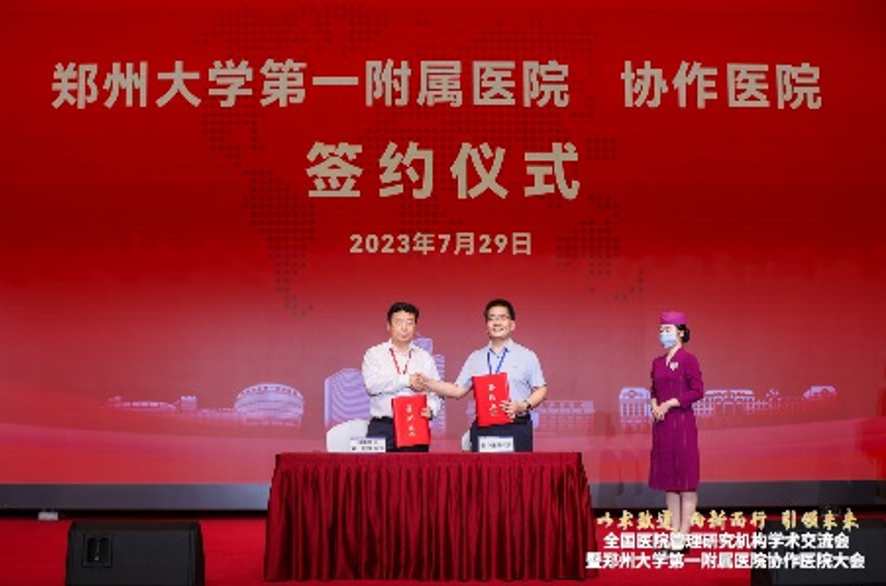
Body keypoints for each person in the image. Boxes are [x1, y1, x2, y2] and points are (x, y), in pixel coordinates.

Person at [422, 298, 547, 452]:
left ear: (512, 325)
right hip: (484, 428)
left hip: (516, 426)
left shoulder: (527, 356)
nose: (497, 323)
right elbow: (457, 390)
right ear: (486, 326)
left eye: (502, 318)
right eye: (492, 318)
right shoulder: (476, 358)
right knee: (482, 468)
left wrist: (523, 405)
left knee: (515, 468)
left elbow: (541, 389)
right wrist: (427, 383)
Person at [649, 310, 705, 553]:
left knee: (686, 483)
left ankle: (683, 536)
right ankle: (674, 536)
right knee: (670, 484)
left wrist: (671, 403)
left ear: (680, 332)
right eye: (661, 330)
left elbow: (698, 391)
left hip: (682, 424)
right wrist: (655, 405)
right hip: (662, 426)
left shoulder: (688, 360)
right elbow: (653, 390)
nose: (663, 334)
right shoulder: (657, 362)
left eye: (667, 330)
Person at [362, 301, 442, 452]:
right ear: (389, 326)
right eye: (398, 322)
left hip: (415, 424)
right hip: (383, 426)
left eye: (409, 323)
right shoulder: (374, 354)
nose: (404, 328)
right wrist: (406, 380)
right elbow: (372, 385)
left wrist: (431, 408)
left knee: (414, 468)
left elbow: (437, 391)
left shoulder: (425, 358)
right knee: (377, 468)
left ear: (415, 327)